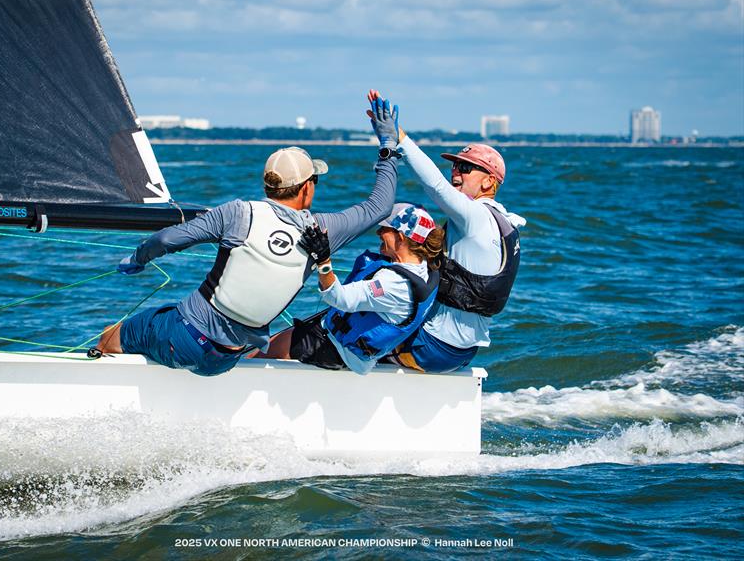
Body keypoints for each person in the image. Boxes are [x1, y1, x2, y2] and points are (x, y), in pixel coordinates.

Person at [94, 138, 399, 376]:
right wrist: (387, 149)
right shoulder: (322, 231)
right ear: (307, 188)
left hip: (183, 338)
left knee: (111, 337)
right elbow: (380, 206)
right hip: (225, 359)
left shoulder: (238, 212)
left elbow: (166, 239)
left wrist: (138, 259)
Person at [367, 90, 526, 373]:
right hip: (463, 352)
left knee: (339, 334)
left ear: (489, 182)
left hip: (431, 347)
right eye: (454, 164)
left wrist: (398, 139)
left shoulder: (475, 216)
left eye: (466, 167)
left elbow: (436, 186)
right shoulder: (506, 222)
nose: (456, 171)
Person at [263, 203, 444, 375]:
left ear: (401, 237)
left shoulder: (393, 284)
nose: (379, 232)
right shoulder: (425, 268)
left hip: (335, 349)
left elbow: (338, 298)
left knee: (263, 351)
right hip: (356, 353)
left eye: (385, 229)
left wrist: (323, 260)